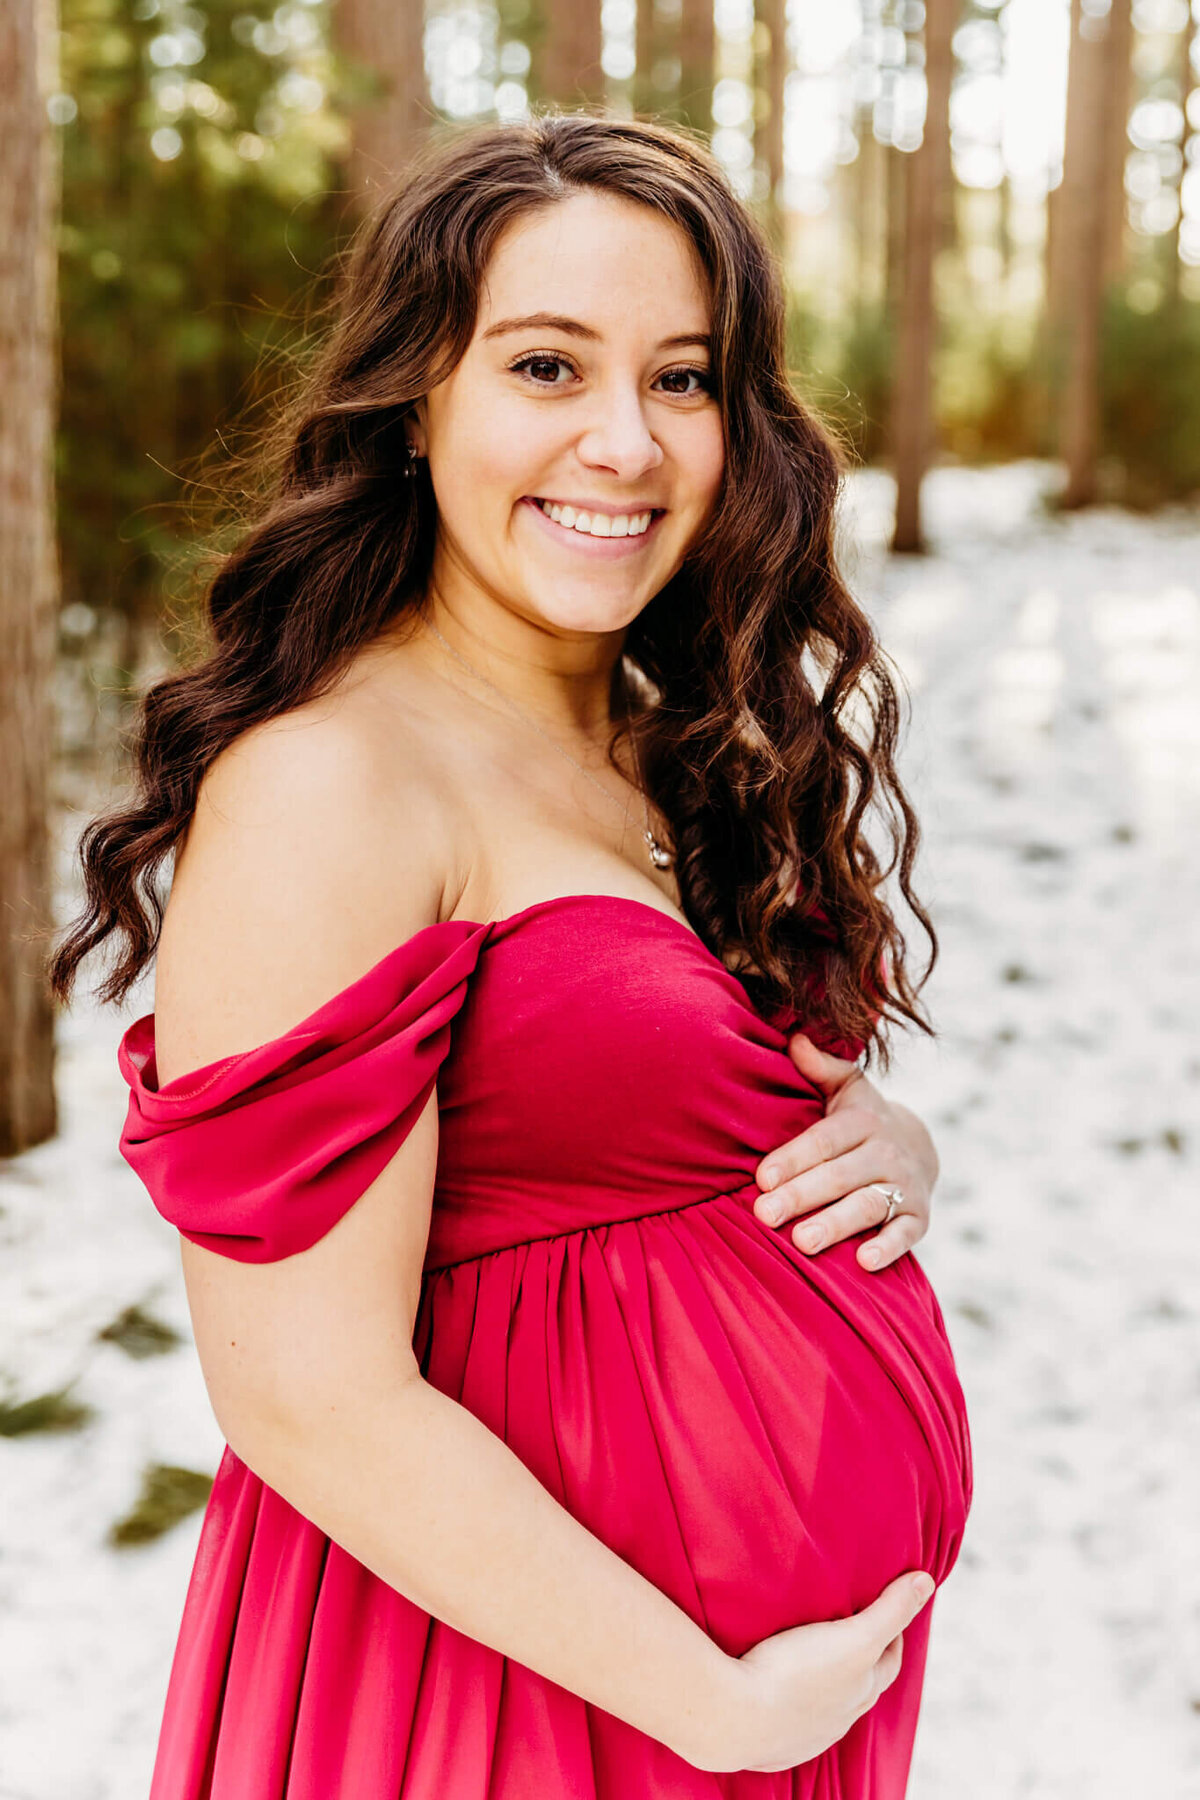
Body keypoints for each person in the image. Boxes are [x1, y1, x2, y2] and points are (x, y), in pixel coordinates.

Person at [50, 112, 972, 1796]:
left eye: (682, 377)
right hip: (514, 1707)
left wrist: (876, 1148)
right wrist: (711, 1707)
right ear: (420, 403)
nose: (625, 441)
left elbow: (660, 1120)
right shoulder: (334, 781)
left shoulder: (678, 737)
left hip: (767, 1701)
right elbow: (306, 1397)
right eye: (547, 367)